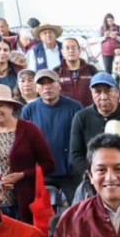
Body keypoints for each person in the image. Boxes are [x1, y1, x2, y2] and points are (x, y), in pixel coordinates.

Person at [0, 84, 55, 223]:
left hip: (24, 201)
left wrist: (22, 175)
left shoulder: (29, 130)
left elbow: (49, 165)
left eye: (0, 105)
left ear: (11, 107)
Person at [20, 69, 83, 202]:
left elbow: (82, 139)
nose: (47, 87)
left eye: (51, 83)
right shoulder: (29, 110)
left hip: (70, 171)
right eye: (42, 84)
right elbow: (24, 142)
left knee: (79, 210)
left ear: (59, 85)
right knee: (43, 215)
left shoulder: (75, 107)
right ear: (36, 88)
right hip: (42, 172)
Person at [69, 72, 120, 176]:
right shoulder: (81, 117)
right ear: (92, 94)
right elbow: (76, 154)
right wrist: (93, 174)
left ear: (118, 93)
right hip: (92, 177)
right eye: (97, 92)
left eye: (108, 91)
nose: (103, 96)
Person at [56, 37, 98, 108]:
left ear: (79, 50)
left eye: (73, 47)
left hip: (88, 113)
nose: (71, 51)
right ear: (62, 52)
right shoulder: (56, 71)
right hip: (65, 112)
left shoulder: (91, 69)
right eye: (67, 48)